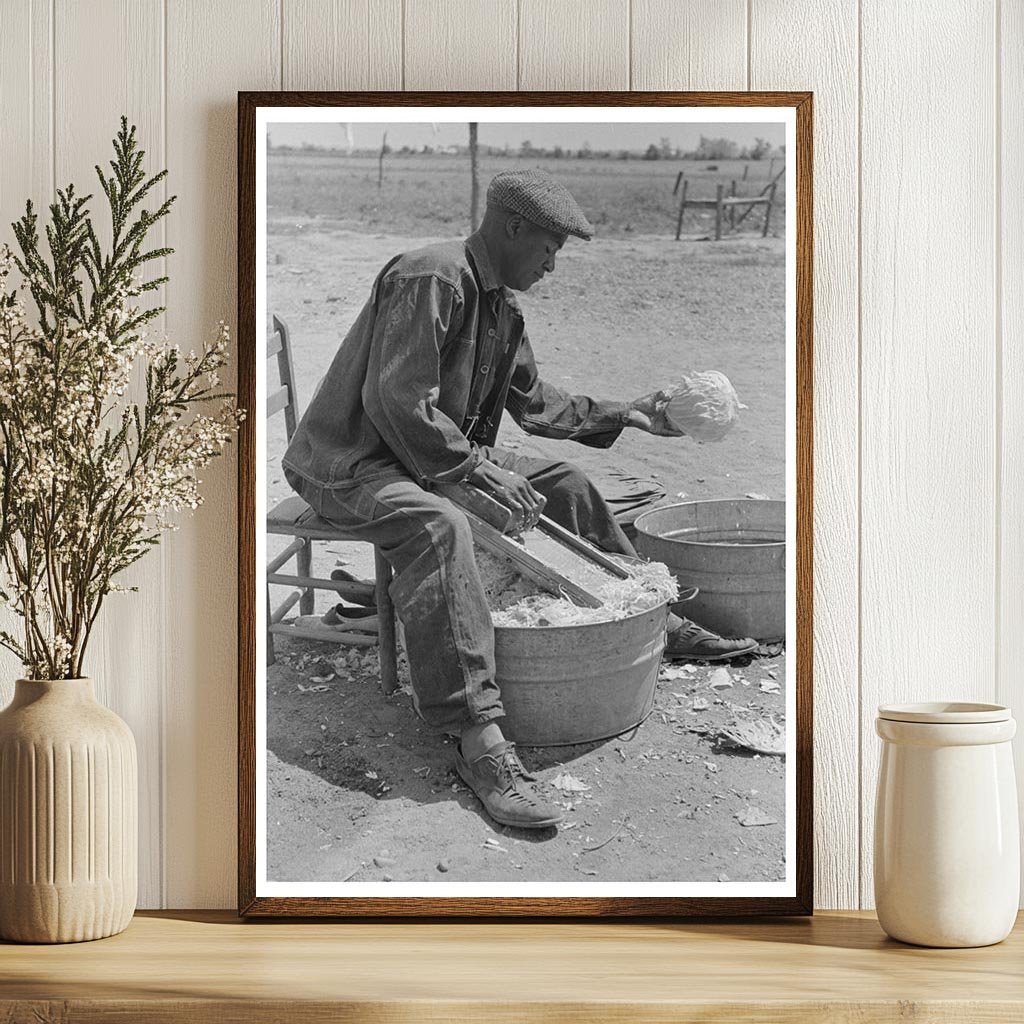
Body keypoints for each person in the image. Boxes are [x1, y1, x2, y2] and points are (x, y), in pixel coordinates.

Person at [281, 168, 757, 830]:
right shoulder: (433, 276)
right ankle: (478, 738)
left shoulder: (502, 308)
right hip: (352, 461)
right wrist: (473, 469)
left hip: (424, 454)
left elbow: (536, 405)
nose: (553, 265)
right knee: (439, 527)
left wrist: (630, 414)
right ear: (512, 228)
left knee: (563, 482)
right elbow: (394, 400)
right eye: (549, 248)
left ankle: (647, 615)